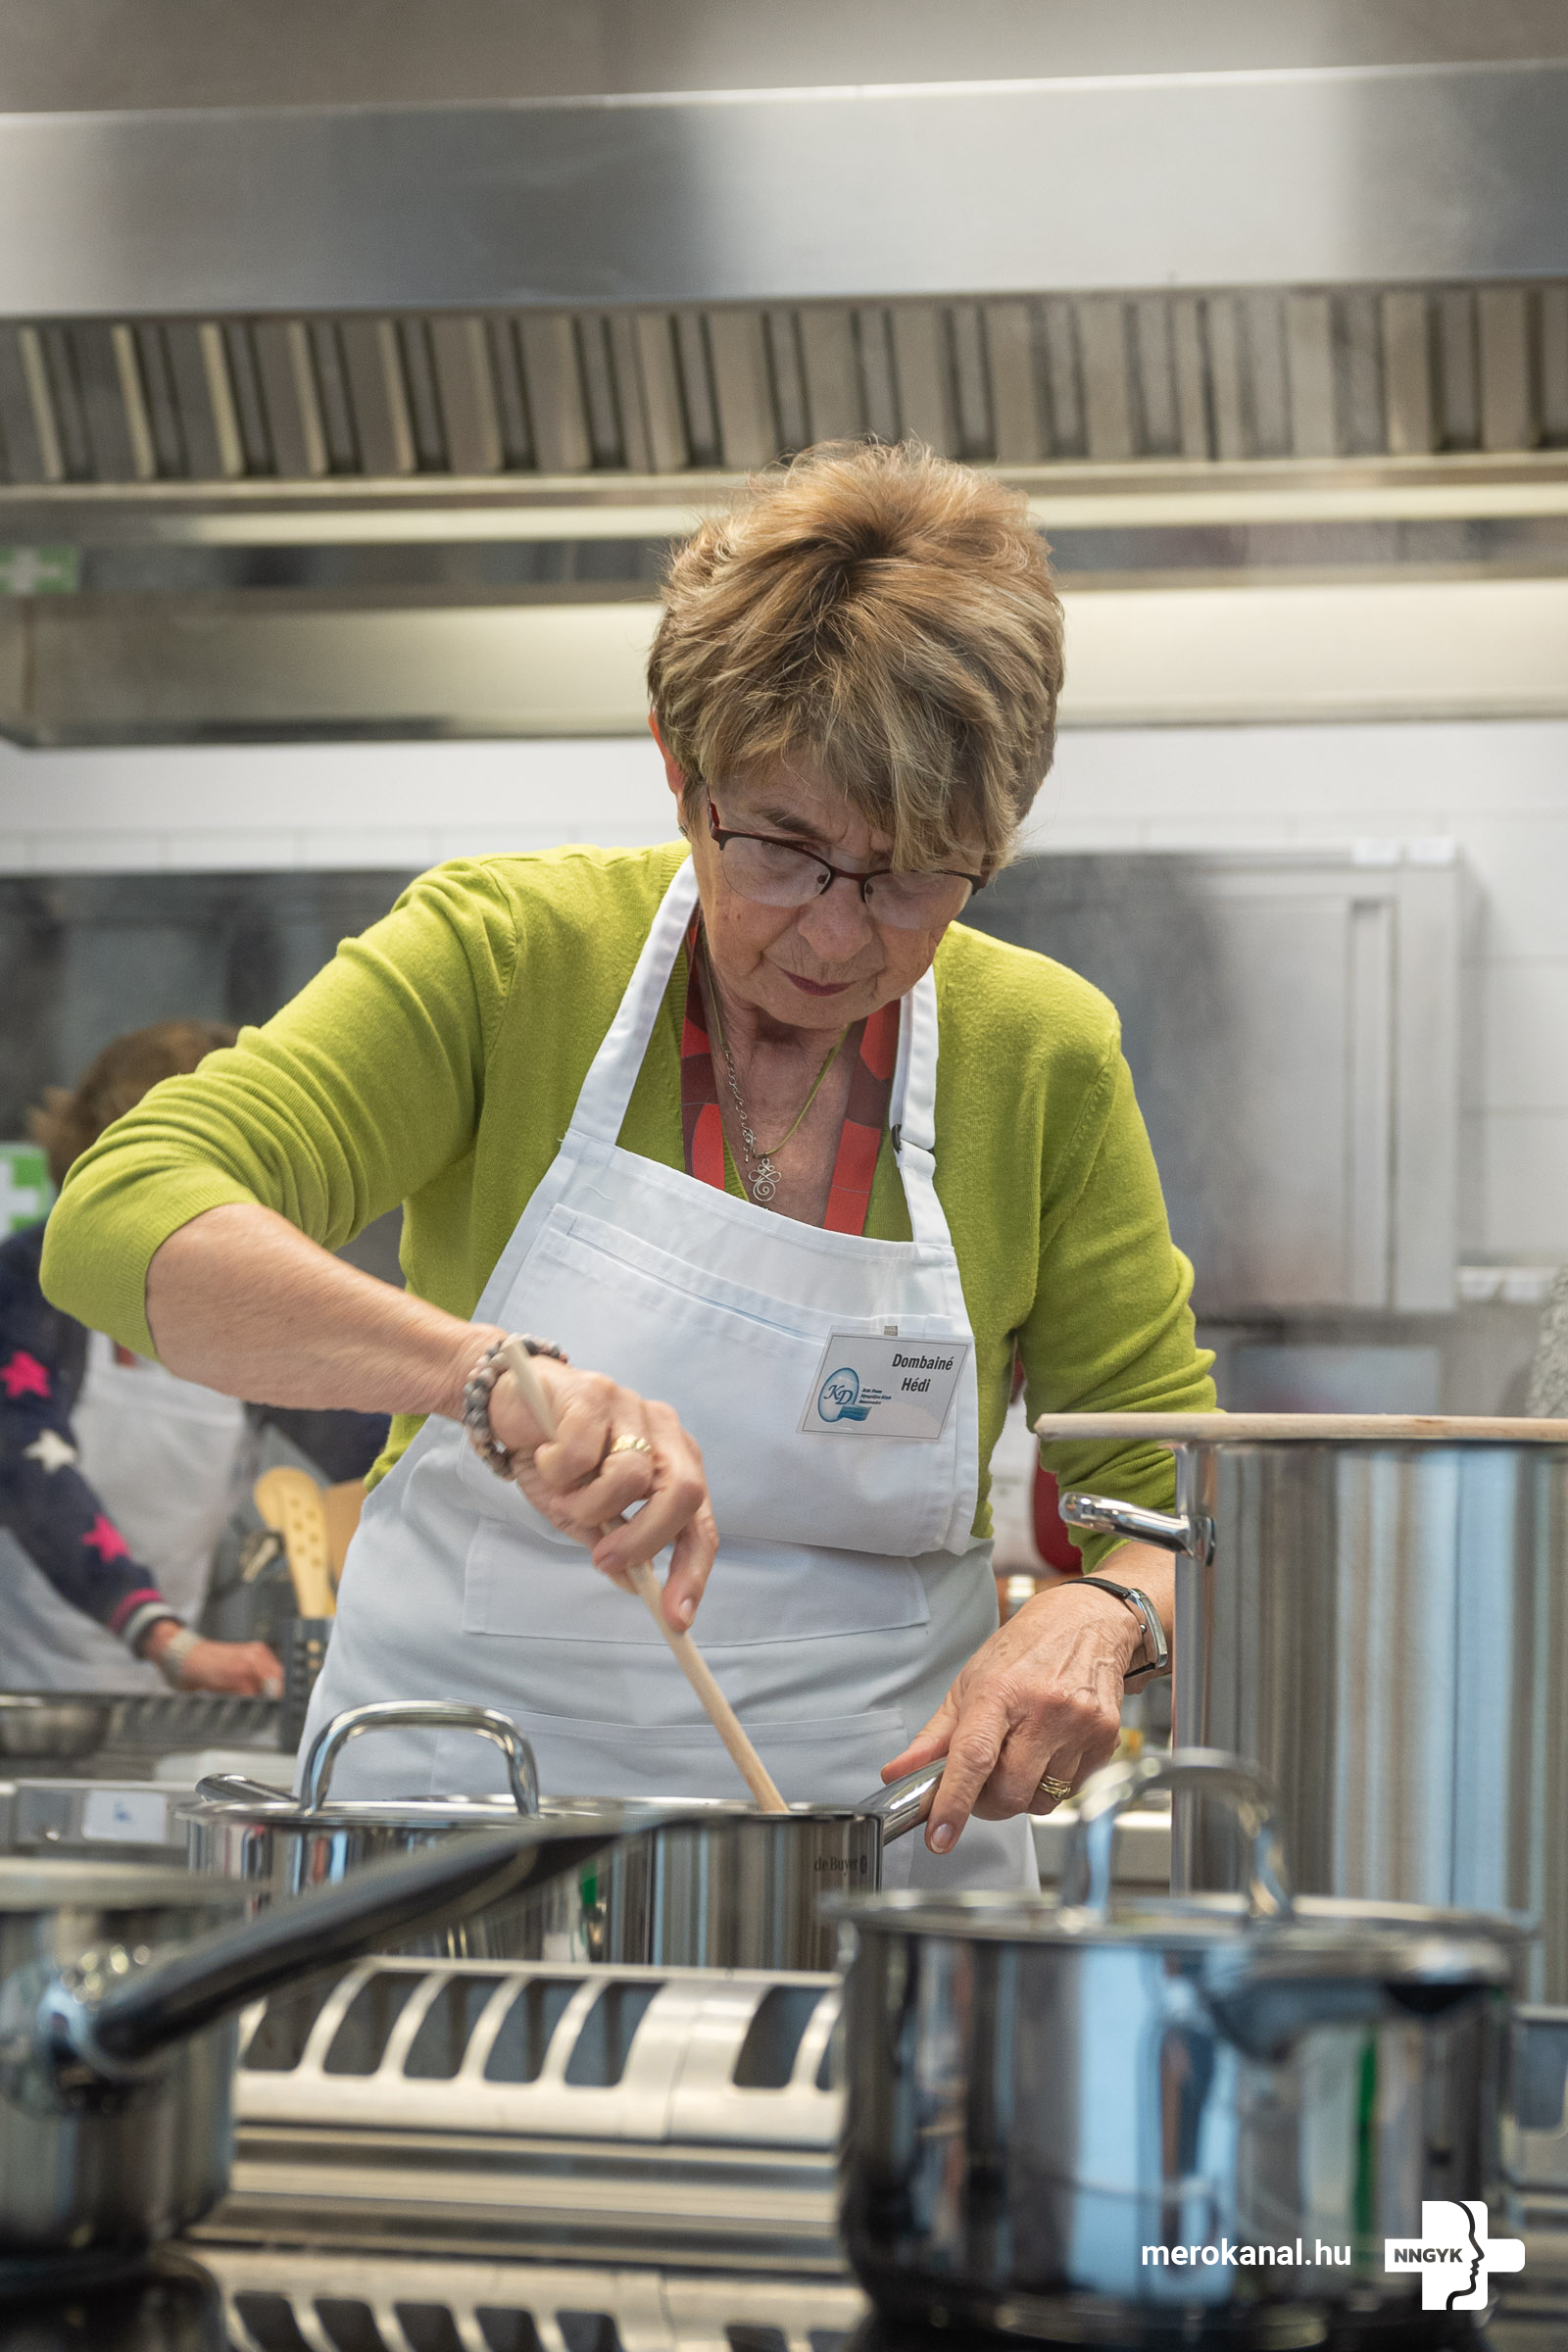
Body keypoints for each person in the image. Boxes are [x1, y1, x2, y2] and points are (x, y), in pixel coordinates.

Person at [42, 441, 1214, 1884]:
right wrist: (481, 1375)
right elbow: (121, 1217)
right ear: (677, 765)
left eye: (913, 874)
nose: (836, 933)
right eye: (781, 846)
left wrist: (1110, 1617)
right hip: (457, 1846)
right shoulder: (505, 961)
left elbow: (1175, 1507)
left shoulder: (1037, 1055)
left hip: (874, 1867)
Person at [3, 1024, 283, 1693]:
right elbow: (28, 1471)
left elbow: (358, 1424)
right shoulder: (22, 1282)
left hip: (171, 1694)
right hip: (21, 1692)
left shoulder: (240, 1299)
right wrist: (165, 1639)